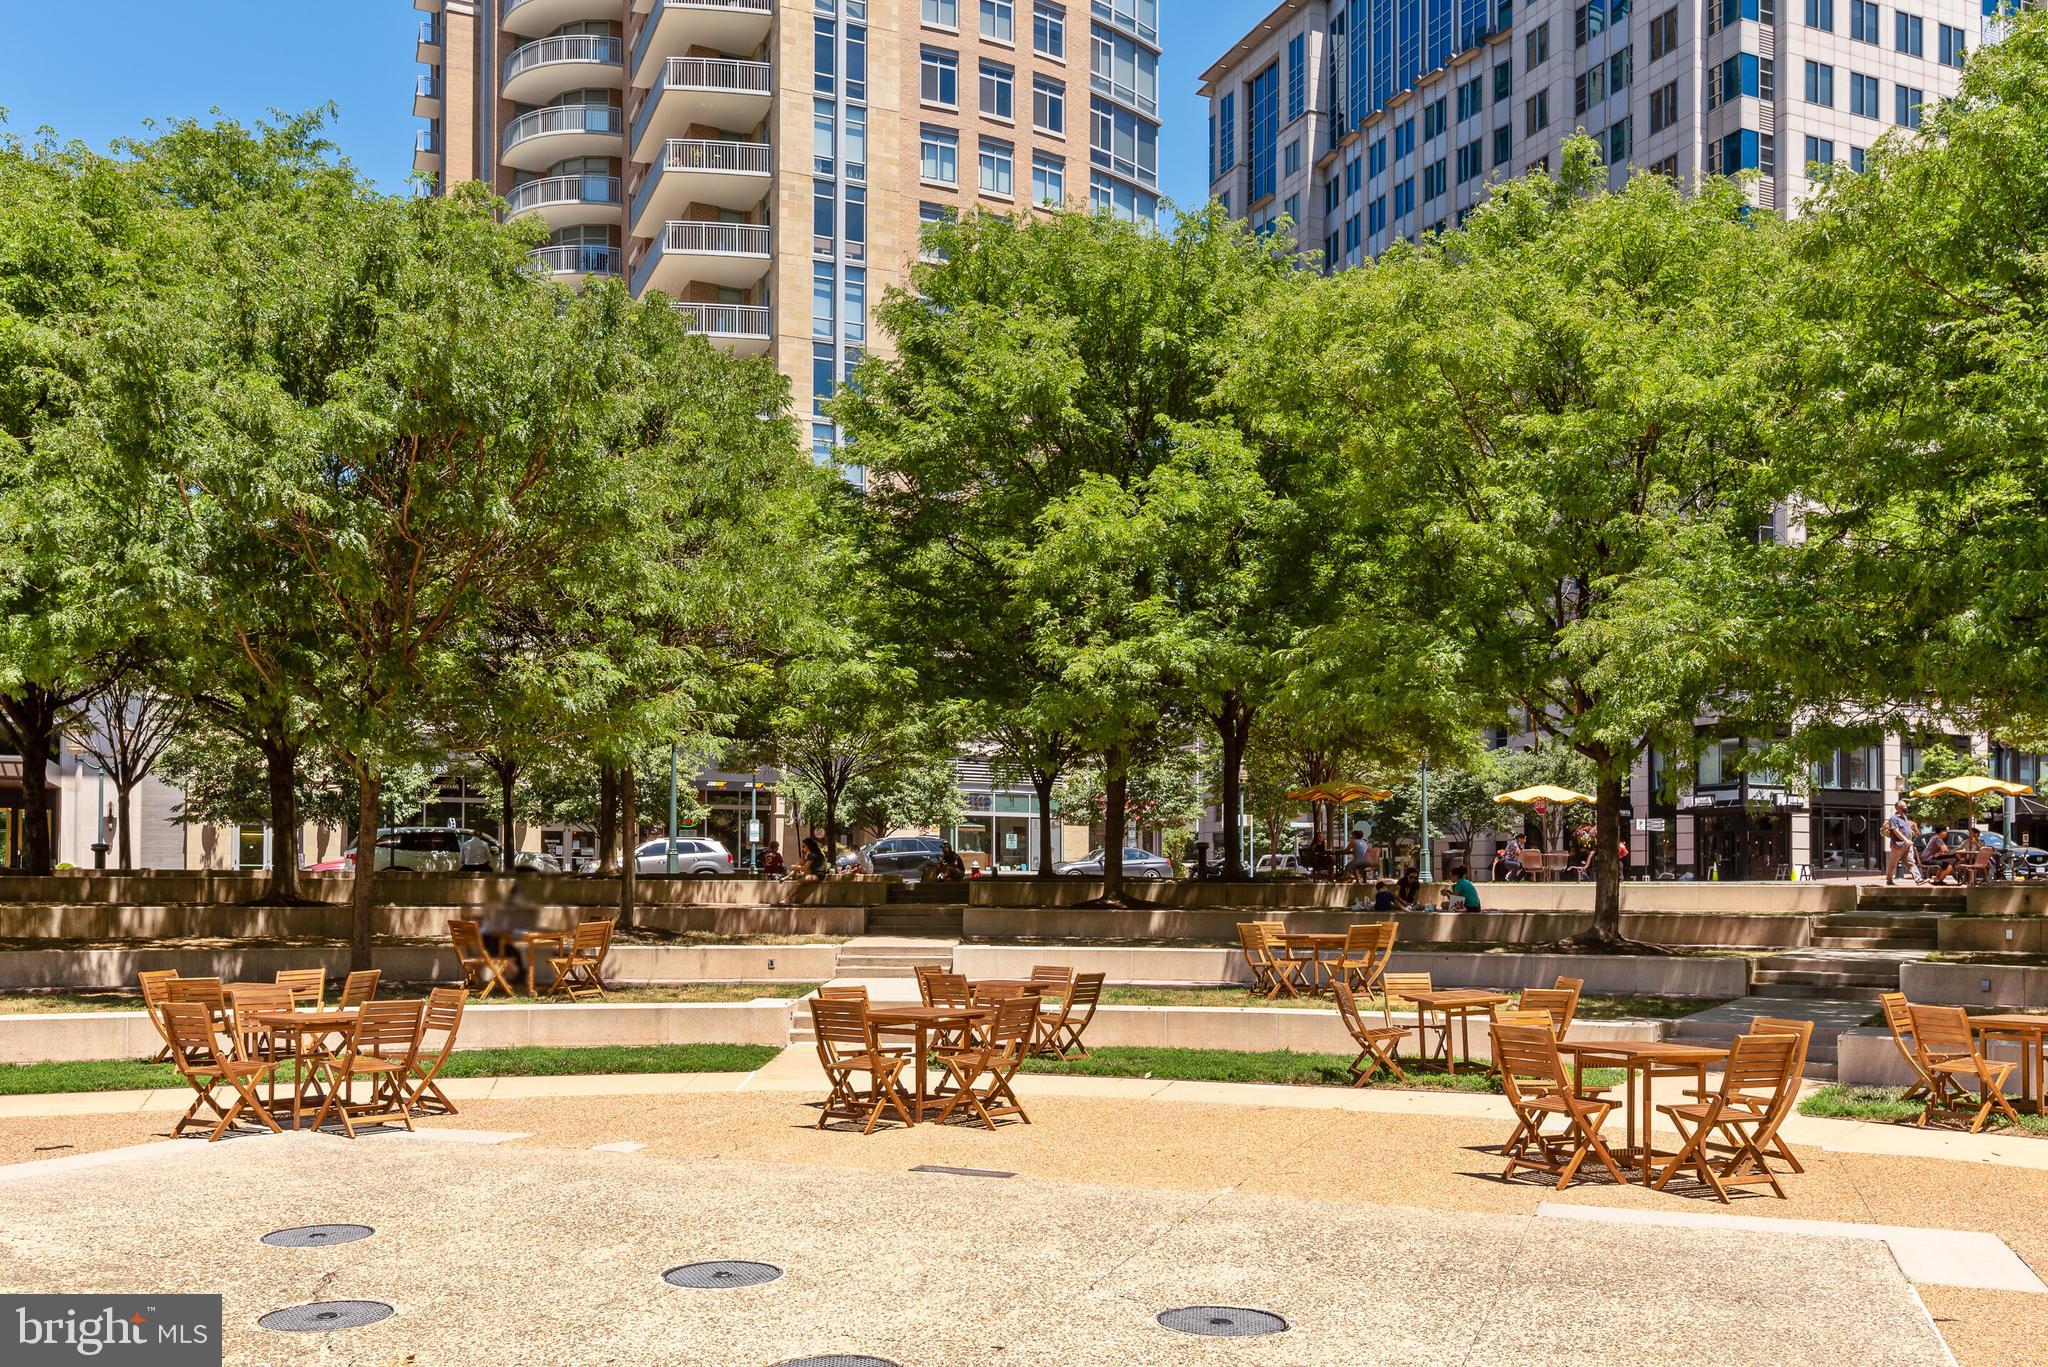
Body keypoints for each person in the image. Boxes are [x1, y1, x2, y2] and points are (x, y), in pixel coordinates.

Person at [1883, 801, 1919, 885]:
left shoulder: (1905, 817)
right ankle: (1889, 880)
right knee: (1893, 863)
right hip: (1898, 845)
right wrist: (1905, 840)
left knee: (1911, 861)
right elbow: (1895, 831)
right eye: (1903, 806)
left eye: (1905, 805)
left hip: (1908, 845)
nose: (1905, 807)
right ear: (1897, 808)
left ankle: (1918, 879)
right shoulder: (1894, 818)